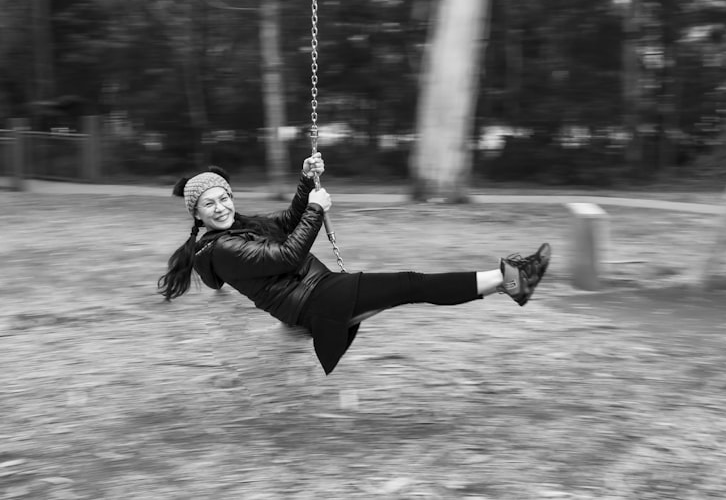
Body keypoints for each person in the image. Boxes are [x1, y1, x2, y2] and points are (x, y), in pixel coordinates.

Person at [158, 153, 551, 375]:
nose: (221, 207)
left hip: (318, 293)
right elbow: (287, 255)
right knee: (414, 284)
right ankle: (509, 279)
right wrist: (316, 210)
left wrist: (305, 182)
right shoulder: (221, 249)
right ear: (197, 215)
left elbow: (287, 222)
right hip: (317, 300)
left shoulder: (241, 228)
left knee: (413, 287)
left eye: (223, 198)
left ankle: (507, 281)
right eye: (209, 204)